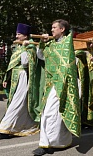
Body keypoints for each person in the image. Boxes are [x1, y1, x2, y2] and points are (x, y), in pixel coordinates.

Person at [32, 19, 81, 156]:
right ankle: (50, 142)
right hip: (52, 83)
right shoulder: (52, 44)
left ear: (62, 29)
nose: (52, 30)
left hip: (64, 83)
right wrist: (43, 43)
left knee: (55, 114)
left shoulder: (67, 42)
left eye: (54, 27)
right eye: (51, 27)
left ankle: (50, 143)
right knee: (49, 113)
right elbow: (41, 57)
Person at [0, 23, 40, 139]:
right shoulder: (18, 47)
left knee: (17, 102)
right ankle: (22, 126)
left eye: (19, 34)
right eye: (16, 34)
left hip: (24, 76)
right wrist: (6, 78)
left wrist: (25, 48)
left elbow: (25, 63)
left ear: (25, 36)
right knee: (19, 103)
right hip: (15, 77)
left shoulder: (31, 47)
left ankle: (5, 129)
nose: (16, 36)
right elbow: (11, 64)